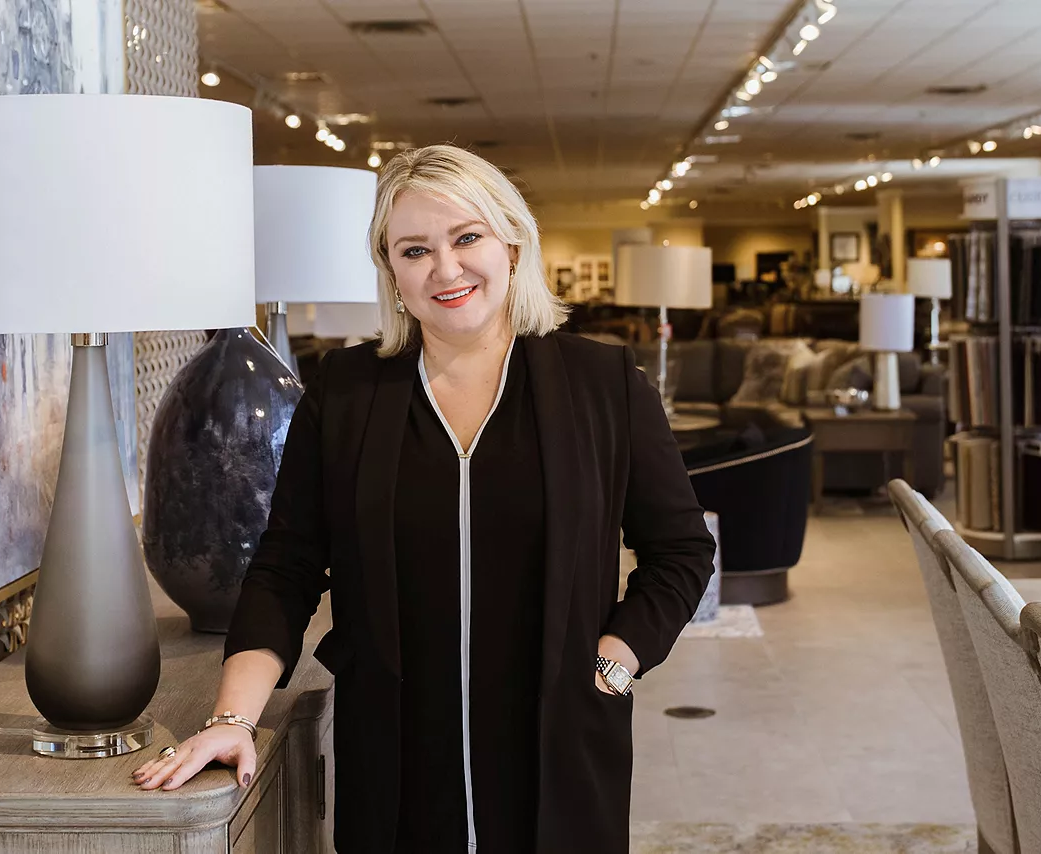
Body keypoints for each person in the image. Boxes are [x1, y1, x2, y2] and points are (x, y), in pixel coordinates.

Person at [132, 144, 717, 854]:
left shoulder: (602, 383)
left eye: (466, 237)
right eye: (415, 250)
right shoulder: (346, 396)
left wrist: (615, 662)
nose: (445, 269)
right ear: (391, 271)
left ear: (511, 241)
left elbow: (681, 550)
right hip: (397, 766)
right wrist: (232, 719)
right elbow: (285, 569)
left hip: (561, 752)